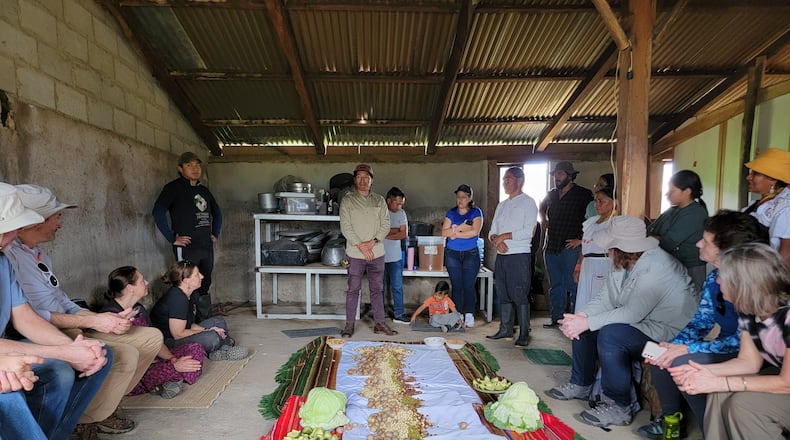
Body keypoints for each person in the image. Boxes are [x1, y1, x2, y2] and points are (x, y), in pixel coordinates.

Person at [6, 184, 162, 436]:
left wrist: (99, 318)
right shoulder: (10, 257)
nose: (60, 223)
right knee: (116, 355)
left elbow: (62, 300)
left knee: (151, 337)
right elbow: (26, 319)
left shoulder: (37, 255)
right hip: (49, 330)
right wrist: (82, 335)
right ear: (35, 221)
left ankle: (97, 408)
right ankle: (86, 417)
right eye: (57, 217)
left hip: (68, 324)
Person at [546, 215, 697, 428]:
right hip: (642, 324)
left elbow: (631, 313)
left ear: (619, 247)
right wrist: (580, 317)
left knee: (611, 335)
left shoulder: (657, 266)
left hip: (666, 334)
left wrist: (587, 322)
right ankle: (581, 383)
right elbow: (605, 298)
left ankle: (620, 406)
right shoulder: (622, 261)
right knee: (586, 321)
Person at [637, 210, 768, 439]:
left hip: (750, 355)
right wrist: (673, 345)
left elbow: (744, 341)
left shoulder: (755, 283)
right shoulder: (714, 278)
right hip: (724, 348)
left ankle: (711, 430)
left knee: (683, 362)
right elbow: (701, 322)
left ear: (725, 249)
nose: (698, 244)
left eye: (705, 241)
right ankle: (671, 423)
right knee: (663, 357)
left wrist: (687, 350)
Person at [0, 182, 111, 440]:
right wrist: (63, 351)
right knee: (10, 395)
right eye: (7, 230)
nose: (13, 235)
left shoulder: (4, 261)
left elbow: (25, 316)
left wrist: (72, 350)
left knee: (90, 358)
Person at [668, 243, 790, 440]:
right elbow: (748, 362)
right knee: (718, 390)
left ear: (742, 283)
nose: (717, 280)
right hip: (781, 378)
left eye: (723, 275)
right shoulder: (750, 310)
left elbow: (786, 383)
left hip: (786, 382)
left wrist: (723, 381)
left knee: (742, 403)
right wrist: (704, 372)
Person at [99, 266, 205, 399]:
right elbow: (120, 357)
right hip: (134, 369)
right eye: (142, 281)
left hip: (153, 357)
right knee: (158, 371)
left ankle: (168, 382)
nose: (147, 283)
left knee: (195, 349)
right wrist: (173, 366)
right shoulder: (110, 315)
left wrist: (173, 359)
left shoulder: (139, 308)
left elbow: (154, 340)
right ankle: (168, 380)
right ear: (130, 288)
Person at [152, 151, 222, 321]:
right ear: (180, 168)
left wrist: (215, 233)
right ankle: (185, 320)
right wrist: (172, 238)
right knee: (186, 283)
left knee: (204, 282)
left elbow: (217, 212)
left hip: (205, 246)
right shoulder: (173, 188)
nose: (195, 168)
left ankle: (203, 319)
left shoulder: (203, 190)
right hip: (187, 247)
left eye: (197, 165)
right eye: (189, 165)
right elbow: (158, 212)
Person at [338, 164, 397, 338]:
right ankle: (349, 325)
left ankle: (379, 323)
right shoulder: (348, 200)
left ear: (372, 180)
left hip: (376, 252)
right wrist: (361, 245)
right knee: (353, 289)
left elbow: (386, 224)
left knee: (376, 289)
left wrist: (373, 242)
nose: (363, 180)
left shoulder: (379, 200)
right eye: (359, 177)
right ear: (355, 179)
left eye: (367, 177)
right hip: (355, 253)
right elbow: (345, 226)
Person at [151, 261, 248, 361]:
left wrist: (209, 329)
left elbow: (189, 324)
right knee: (211, 338)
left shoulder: (191, 293)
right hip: (169, 342)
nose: (201, 276)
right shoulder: (178, 298)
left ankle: (219, 348)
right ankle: (222, 347)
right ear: (186, 280)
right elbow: (178, 334)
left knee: (219, 321)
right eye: (197, 274)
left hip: (183, 331)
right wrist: (208, 331)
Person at [487, 167, 538, 348]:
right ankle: (505, 328)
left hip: (519, 255)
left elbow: (529, 231)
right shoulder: (502, 205)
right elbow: (492, 230)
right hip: (502, 255)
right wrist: (495, 240)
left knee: (519, 293)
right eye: (504, 180)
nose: (505, 183)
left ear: (520, 180)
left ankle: (524, 332)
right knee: (503, 292)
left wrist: (505, 236)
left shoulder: (528, 203)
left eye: (508, 179)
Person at [539, 161, 593, 328]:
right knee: (556, 285)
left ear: (570, 176)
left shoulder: (583, 195)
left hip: (571, 246)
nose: (557, 177)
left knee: (573, 284)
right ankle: (557, 319)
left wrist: (581, 240)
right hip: (552, 245)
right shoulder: (552, 194)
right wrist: (544, 219)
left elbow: (593, 219)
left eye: (560, 174)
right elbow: (542, 206)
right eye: (555, 174)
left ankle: (575, 321)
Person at [647, 169, 709, 292]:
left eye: (672, 190)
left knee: (689, 303)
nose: (667, 194)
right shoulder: (672, 210)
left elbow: (668, 242)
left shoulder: (696, 213)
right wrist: (657, 237)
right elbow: (649, 231)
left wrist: (657, 237)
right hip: (671, 265)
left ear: (687, 191)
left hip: (689, 268)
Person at [441, 184, 483, 328]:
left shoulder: (475, 212)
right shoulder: (451, 212)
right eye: (458, 197)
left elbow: (474, 232)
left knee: (469, 285)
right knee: (457, 285)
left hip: (470, 253)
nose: (460, 200)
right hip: (452, 253)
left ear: (470, 198)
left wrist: (454, 232)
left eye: (464, 197)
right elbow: (444, 233)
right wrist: (461, 227)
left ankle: (469, 313)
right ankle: (457, 314)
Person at [742, 147, 790, 268]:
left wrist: (773, 285)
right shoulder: (758, 204)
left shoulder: (785, 208)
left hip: (762, 276)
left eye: (755, 173)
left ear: (773, 179)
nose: (749, 177)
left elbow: (786, 255)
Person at [573, 185, 616, 312]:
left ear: (614, 202)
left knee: (598, 301)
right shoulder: (591, 222)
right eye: (596, 201)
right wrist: (578, 266)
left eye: (601, 201)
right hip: (587, 265)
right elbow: (585, 247)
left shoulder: (614, 223)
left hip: (603, 264)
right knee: (584, 300)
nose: (597, 205)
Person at [384, 187, 410, 324]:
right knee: (379, 287)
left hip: (395, 257)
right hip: (379, 256)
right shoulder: (380, 211)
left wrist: (385, 233)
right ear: (388, 201)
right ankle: (379, 315)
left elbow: (403, 234)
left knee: (397, 287)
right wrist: (395, 230)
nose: (399, 206)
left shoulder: (402, 213)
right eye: (397, 203)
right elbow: (375, 231)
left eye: (401, 204)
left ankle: (399, 314)